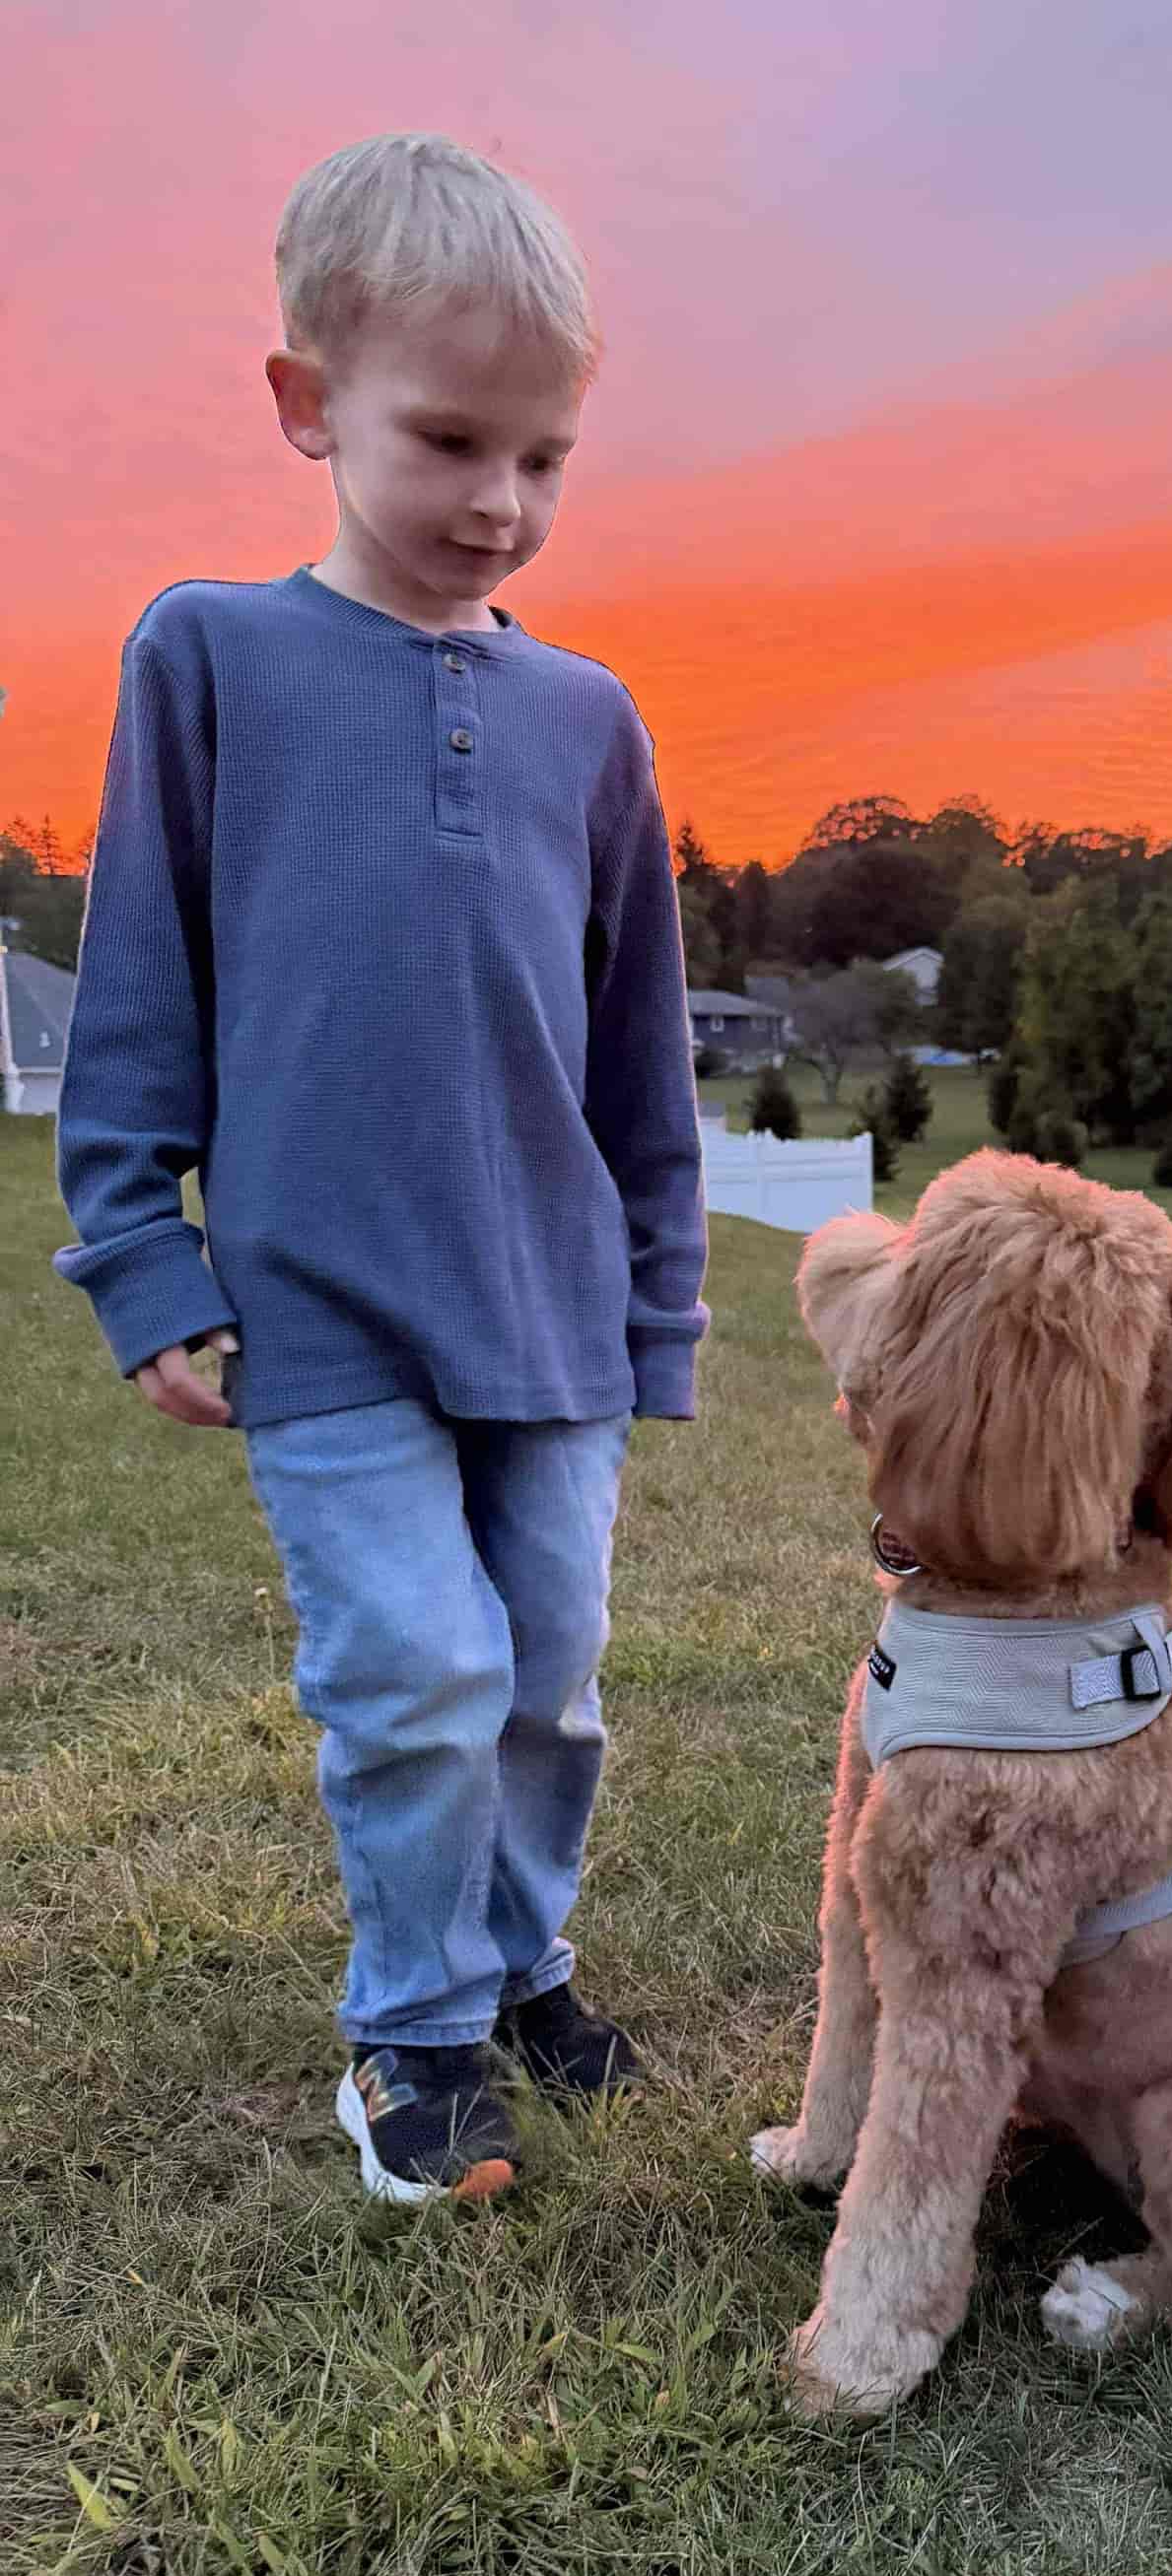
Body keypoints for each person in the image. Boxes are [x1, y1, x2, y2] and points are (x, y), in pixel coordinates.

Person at [54, 133, 708, 2206]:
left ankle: (521, 1963)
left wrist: (662, 1309)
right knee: (416, 1671)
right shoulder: (210, 659)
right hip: (323, 1300)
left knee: (547, 1679)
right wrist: (145, 1266)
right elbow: (138, 991)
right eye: (447, 437)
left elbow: (638, 1058)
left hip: (556, 1312)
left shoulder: (593, 722)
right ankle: (410, 2033)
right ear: (303, 403)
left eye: (544, 455)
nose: (496, 502)